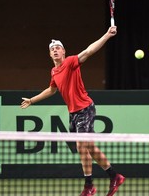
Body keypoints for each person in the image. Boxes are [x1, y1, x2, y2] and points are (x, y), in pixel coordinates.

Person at [21, 26, 125, 196]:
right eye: (52, 49)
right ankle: (115, 176)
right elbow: (52, 90)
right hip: (74, 113)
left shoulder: (70, 62)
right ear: (50, 55)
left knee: (81, 145)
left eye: (58, 48)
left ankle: (89, 186)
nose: (55, 50)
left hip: (85, 108)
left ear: (64, 52)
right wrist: (32, 100)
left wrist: (107, 35)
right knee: (89, 147)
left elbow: (88, 51)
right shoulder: (54, 71)